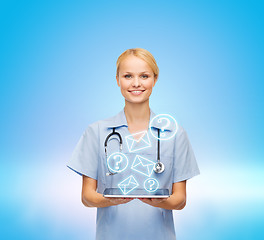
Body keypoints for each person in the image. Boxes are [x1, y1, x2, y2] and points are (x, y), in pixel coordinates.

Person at [67, 48, 200, 240]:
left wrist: (155, 202)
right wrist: (113, 200)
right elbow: (87, 197)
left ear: (155, 79)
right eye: (128, 76)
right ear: (117, 80)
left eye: (144, 76)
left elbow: (180, 200)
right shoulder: (96, 132)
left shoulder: (174, 133)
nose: (136, 83)